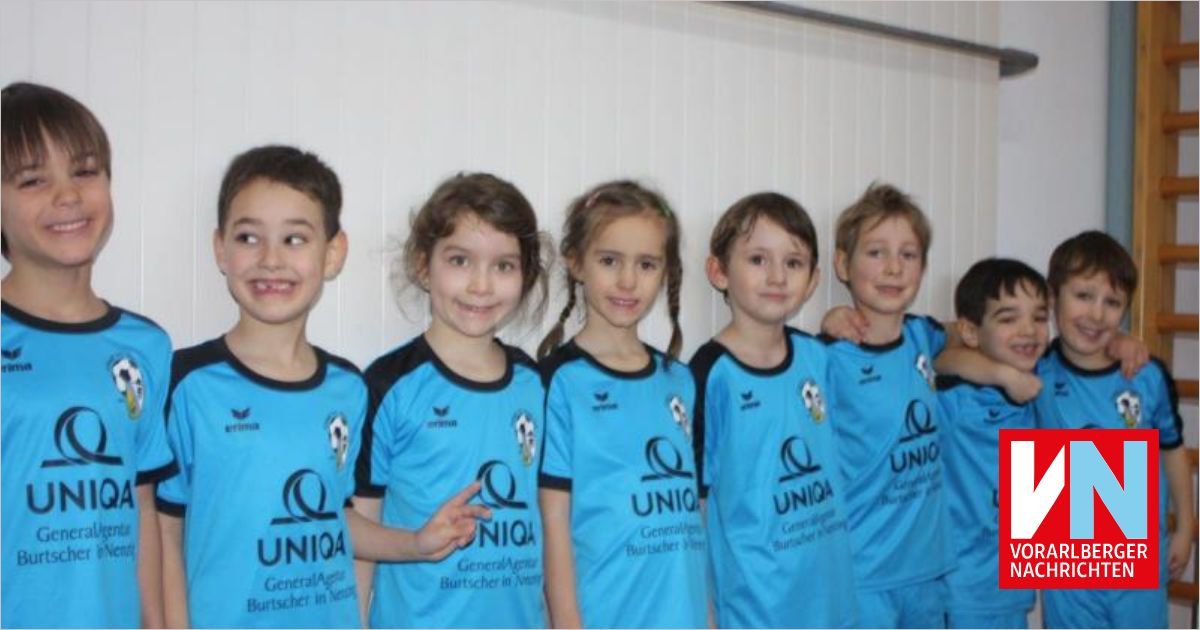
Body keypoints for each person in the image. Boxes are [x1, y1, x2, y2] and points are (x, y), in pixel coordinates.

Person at [156, 146, 486, 628]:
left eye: (294, 239)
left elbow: (337, 520)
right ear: (220, 249)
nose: (271, 260)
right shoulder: (188, 382)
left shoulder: (347, 388)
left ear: (332, 253)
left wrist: (416, 543)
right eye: (249, 237)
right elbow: (165, 536)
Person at [1, 81, 177, 628]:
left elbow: (142, 509)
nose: (67, 196)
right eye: (33, 180)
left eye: (84, 171)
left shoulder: (145, 346)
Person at [353, 172, 550, 628]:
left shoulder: (534, 383)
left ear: (525, 275)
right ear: (424, 265)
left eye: (503, 266)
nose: (481, 286)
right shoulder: (389, 384)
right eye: (460, 260)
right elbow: (360, 534)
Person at [537, 180, 707, 628]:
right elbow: (553, 520)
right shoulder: (559, 382)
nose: (628, 281)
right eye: (610, 260)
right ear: (576, 262)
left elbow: (694, 517)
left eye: (647, 264)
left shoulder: (681, 381)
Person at [689, 192, 857, 628]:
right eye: (758, 259)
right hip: (754, 608)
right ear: (719, 271)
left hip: (832, 602)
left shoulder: (821, 358)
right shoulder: (709, 375)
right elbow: (696, 507)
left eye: (794, 263)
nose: (777, 276)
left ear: (814, 278)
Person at [1033, 231, 1193, 629]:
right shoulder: (1033, 371)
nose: (1097, 314)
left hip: (1137, 561)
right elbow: (964, 342)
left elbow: (1171, 451)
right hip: (1064, 566)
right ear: (1052, 299)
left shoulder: (1147, 376)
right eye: (1083, 296)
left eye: (1112, 302)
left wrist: (1187, 527)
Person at [936, 258, 1046, 628]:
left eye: (1039, 317)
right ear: (970, 331)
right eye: (1008, 318)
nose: (1029, 330)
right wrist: (999, 372)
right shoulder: (956, 400)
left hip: (1015, 592)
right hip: (960, 594)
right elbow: (936, 358)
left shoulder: (1044, 384)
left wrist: (1123, 342)